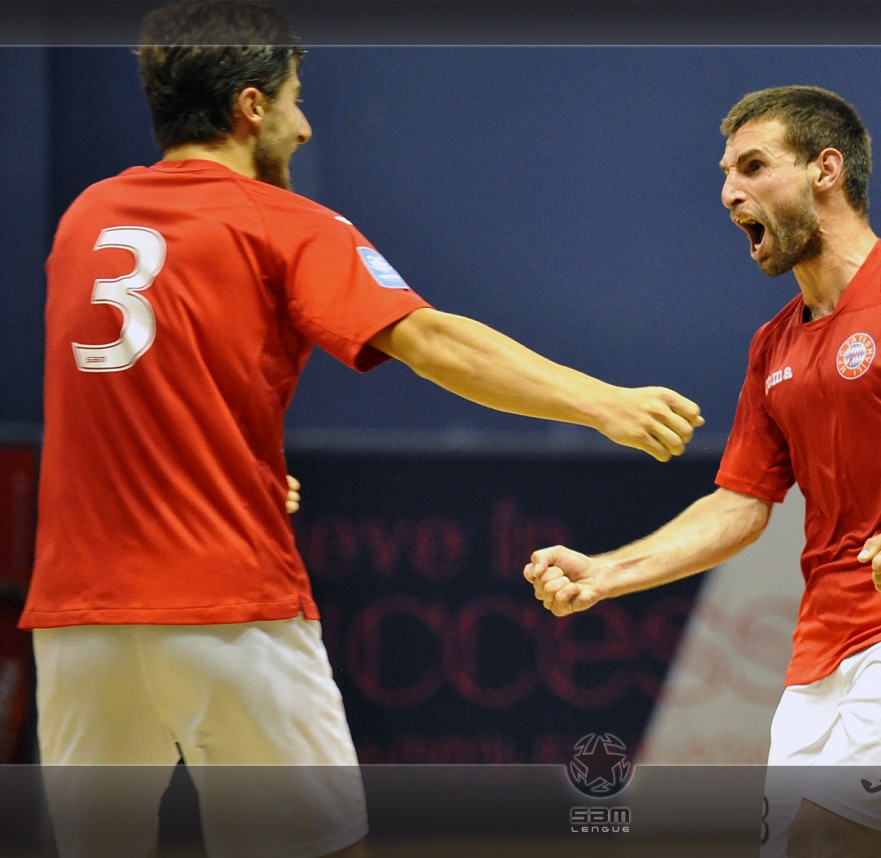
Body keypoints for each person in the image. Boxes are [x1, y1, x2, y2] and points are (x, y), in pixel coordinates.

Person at [19, 1, 704, 856]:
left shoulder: (85, 219)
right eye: (296, 98)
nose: (305, 127)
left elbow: (129, 396)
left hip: (77, 624)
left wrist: (234, 467)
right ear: (251, 107)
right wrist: (602, 401)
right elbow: (434, 341)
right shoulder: (284, 221)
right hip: (228, 607)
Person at [525, 85, 881, 857]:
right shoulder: (774, 346)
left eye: (754, 166)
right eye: (727, 173)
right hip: (819, 649)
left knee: (831, 837)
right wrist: (606, 572)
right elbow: (740, 504)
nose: (729, 192)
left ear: (826, 170)